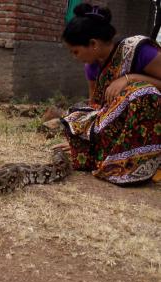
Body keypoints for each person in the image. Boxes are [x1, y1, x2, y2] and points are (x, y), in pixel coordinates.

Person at [53, 3, 161, 185]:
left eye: (76, 51)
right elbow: (96, 106)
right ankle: (112, 155)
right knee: (77, 116)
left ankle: (148, 158)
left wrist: (130, 78)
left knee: (141, 93)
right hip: (125, 127)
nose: (75, 57)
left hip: (154, 120)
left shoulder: (141, 51)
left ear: (93, 44)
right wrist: (82, 139)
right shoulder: (92, 67)